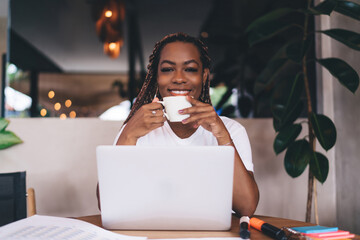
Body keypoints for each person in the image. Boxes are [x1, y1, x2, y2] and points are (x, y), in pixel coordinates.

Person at [112, 32, 259, 216]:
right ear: (156, 77)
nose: (179, 78)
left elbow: (246, 207)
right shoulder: (134, 129)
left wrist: (221, 135)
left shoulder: (231, 131)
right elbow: (107, 203)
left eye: (189, 69)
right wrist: (128, 135)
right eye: (167, 69)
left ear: (204, 75)